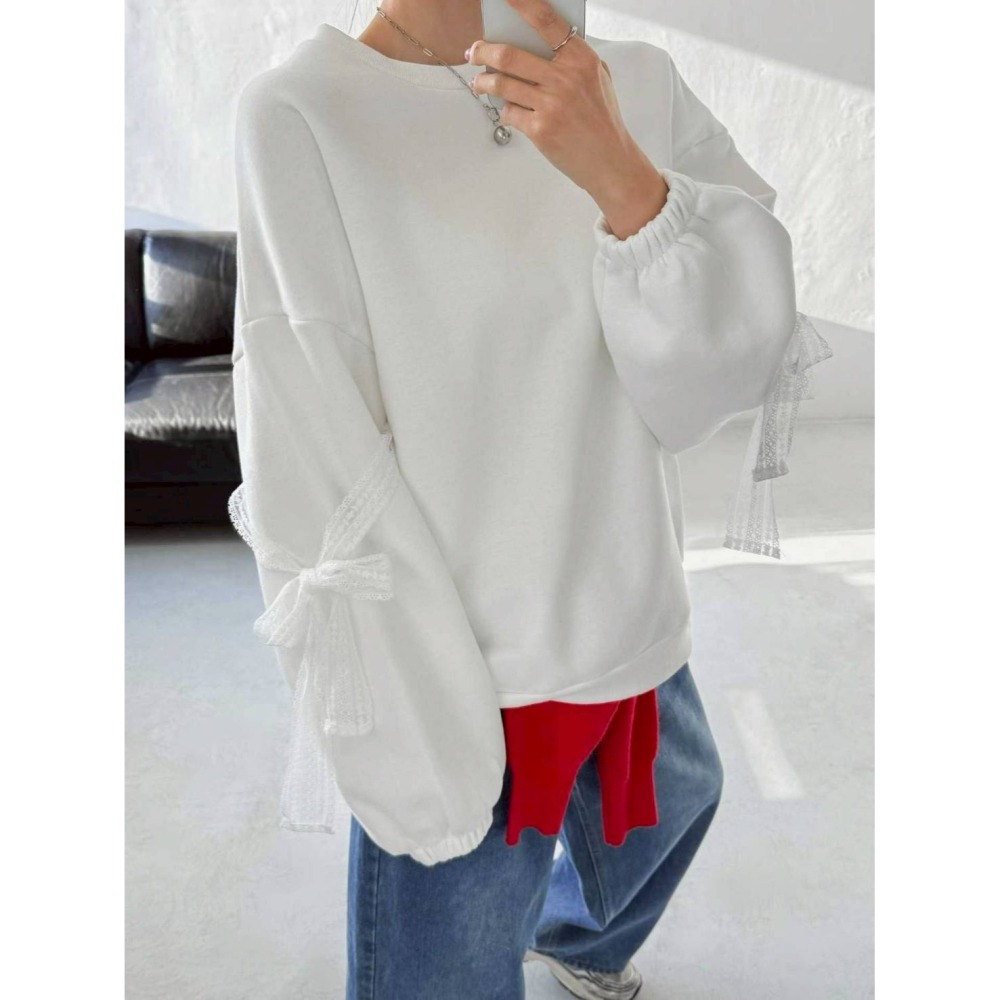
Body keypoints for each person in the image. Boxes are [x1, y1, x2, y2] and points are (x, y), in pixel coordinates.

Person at [226, 1, 833, 997]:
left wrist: (623, 178)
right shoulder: (303, 111)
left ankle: (575, 942)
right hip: (462, 654)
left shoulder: (631, 82)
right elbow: (311, 433)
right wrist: (405, 703)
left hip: (627, 598)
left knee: (678, 804)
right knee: (451, 956)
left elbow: (725, 368)